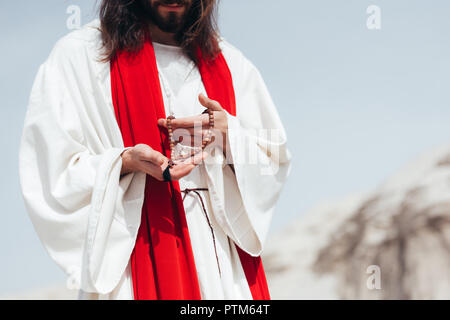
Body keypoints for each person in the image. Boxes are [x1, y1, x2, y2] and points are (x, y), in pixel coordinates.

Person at [19, 0, 291, 300]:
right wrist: (122, 163)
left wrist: (231, 137)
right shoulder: (82, 55)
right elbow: (50, 171)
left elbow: (273, 158)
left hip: (222, 262)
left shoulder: (231, 62)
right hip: (136, 254)